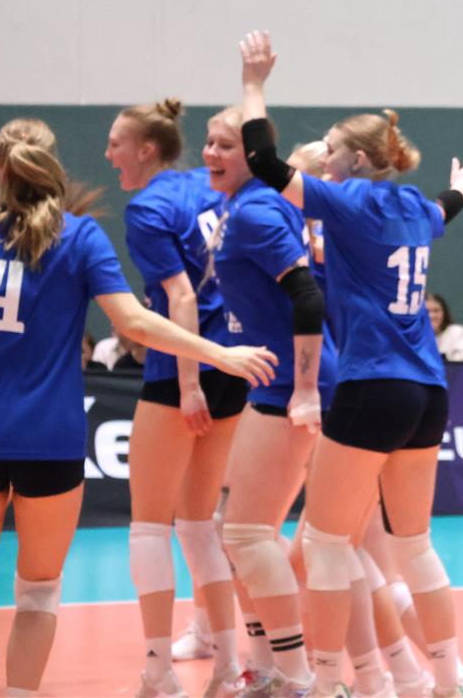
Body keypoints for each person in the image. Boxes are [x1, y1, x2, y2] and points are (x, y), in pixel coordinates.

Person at [0, 117, 276, 698]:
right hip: (51, 442)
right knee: (39, 593)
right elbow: (134, 322)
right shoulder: (79, 237)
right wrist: (218, 354)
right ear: (52, 168)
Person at [236, 29, 463, 698]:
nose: (326, 160)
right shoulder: (413, 207)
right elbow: (443, 210)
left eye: (333, 150)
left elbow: (263, 161)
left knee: (325, 542)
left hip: (373, 383)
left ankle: (326, 683)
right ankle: (446, 679)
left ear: (361, 159)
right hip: (428, 389)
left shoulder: (349, 201)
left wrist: (254, 84)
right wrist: (462, 187)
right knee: (413, 544)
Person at [104, 98, 249, 696]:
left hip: (183, 368)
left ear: (145, 149)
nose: (108, 154)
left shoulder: (148, 208)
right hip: (235, 361)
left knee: (148, 525)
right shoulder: (206, 185)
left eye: (116, 143)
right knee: (197, 524)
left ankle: (158, 671)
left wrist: (187, 384)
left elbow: (181, 297)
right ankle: (228, 668)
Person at [199, 103, 327, 697]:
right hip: (272, 384)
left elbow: (307, 296)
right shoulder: (243, 205)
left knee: (248, 535)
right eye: (208, 142)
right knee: (242, 532)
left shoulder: (255, 211)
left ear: (252, 156)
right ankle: (267, 666)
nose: (210, 153)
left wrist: (305, 388)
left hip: (290, 388)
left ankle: (298, 676)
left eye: (225, 145)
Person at [427, 293, 463, 362]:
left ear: (444, 313)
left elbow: (458, 362)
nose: (431, 315)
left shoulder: (457, 332)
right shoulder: (416, 336)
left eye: (436, 311)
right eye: (427, 311)